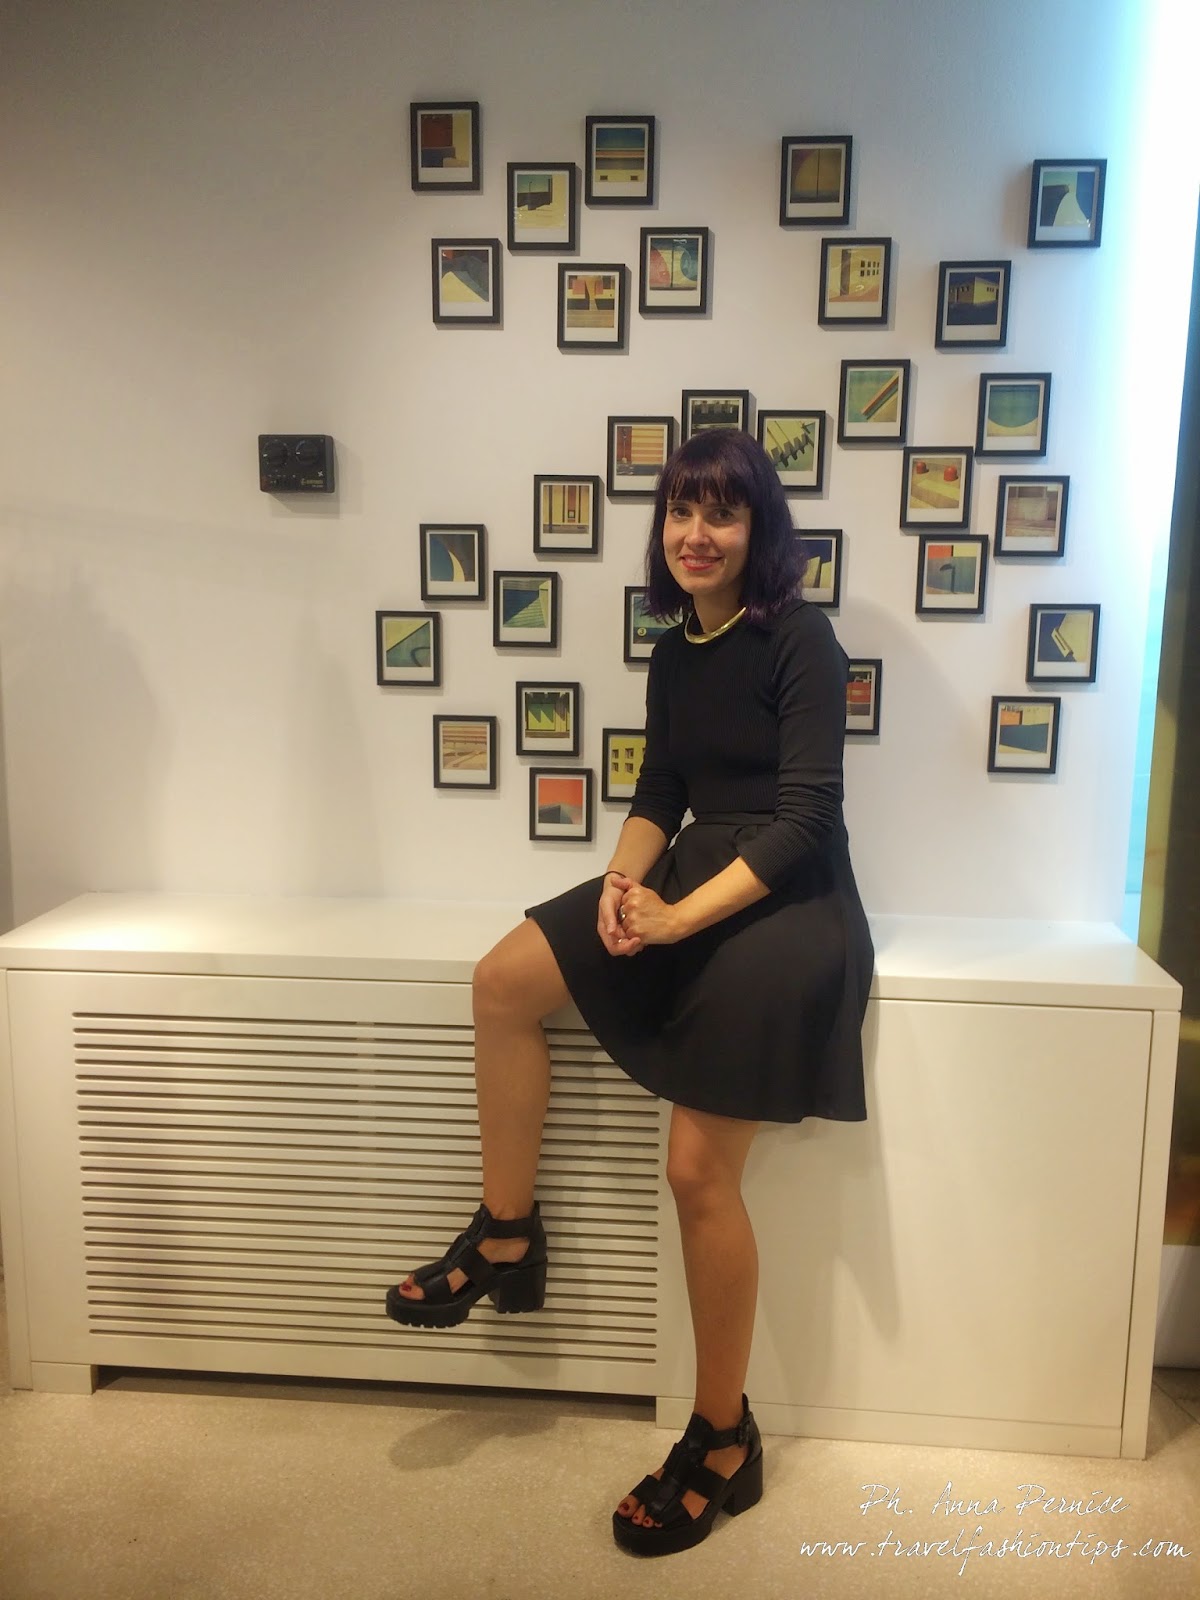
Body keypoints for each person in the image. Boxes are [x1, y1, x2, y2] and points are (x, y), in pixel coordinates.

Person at [385, 427, 874, 1559]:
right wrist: (621, 884)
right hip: (690, 872)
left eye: (722, 513)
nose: (697, 534)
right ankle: (508, 1236)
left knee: (696, 1170)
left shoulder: (800, 638)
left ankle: (723, 1434)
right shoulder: (674, 649)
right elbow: (660, 789)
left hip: (793, 903)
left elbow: (807, 820)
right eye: (680, 512)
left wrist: (675, 916)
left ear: (759, 530)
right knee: (502, 982)